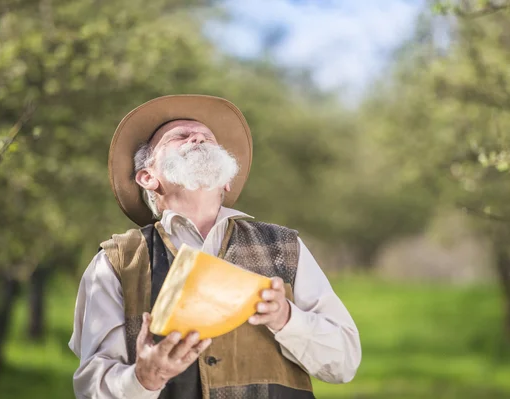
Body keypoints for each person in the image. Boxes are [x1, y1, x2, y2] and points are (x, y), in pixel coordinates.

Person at [69, 94, 361, 399]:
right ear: (148, 177)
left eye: (208, 138)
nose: (197, 136)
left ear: (227, 180)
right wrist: (143, 378)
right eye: (180, 137)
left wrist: (286, 317)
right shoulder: (116, 262)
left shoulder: (284, 245)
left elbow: (344, 363)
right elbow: (92, 389)